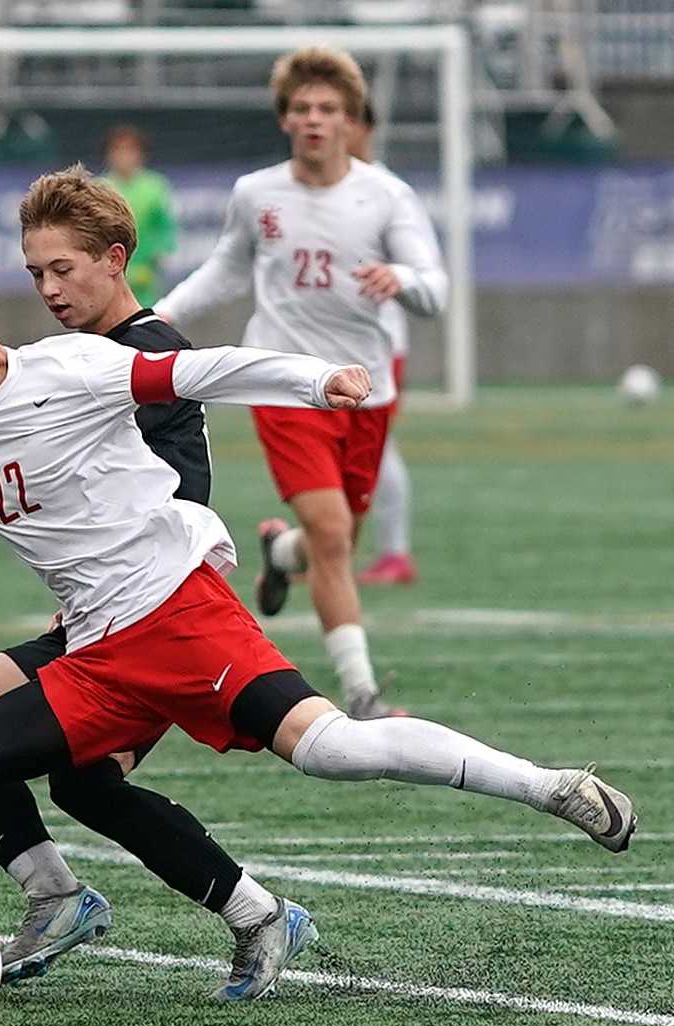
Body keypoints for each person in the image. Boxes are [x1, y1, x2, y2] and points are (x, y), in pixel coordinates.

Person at [0, 231, 635, 1010]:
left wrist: (314, 382)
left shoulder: (73, 369)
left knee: (333, 749)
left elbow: (201, 367)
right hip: (96, 651)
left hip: (183, 618)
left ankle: (552, 787)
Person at [0, 166, 280, 987]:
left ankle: (239, 911)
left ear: (115, 261)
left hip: (156, 614)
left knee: (45, 764)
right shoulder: (76, 357)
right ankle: (109, 899)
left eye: (61, 270)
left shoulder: (146, 353)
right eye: (34, 272)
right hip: (94, 616)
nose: (45, 288)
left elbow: (181, 491)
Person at [155, 47, 446, 718]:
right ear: (284, 119)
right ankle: (362, 695)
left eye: (327, 109)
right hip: (284, 382)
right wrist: (164, 314)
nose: (314, 119)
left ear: (350, 119)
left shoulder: (386, 196)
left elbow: (435, 290)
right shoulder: (257, 194)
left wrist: (399, 280)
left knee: (327, 539)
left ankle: (278, 551)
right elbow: (227, 271)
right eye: (301, 109)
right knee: (334, 534)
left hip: (364, 389)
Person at [347, 100, 418, 587]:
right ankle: (330, 548)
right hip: (328, 339)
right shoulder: (310, 190)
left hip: (379, 342)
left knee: (376, 447)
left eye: (339, 117)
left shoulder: (388, 192)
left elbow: (419, 268)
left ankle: (395, 553)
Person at [103, 125, 178, 308]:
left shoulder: (155, 187)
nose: (124, 157)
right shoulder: (100, 187)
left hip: (145, 278)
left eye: (130, 150)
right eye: (118, 150)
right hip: (108, 275)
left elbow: (166, 227)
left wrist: (159, 254)